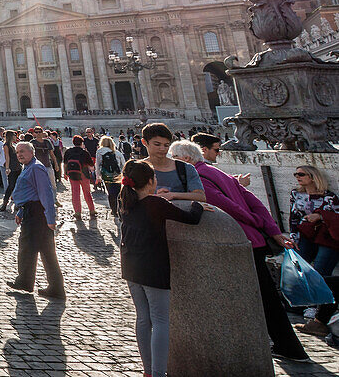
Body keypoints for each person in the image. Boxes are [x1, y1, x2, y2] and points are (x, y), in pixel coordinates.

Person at [170, 140, 309, 362]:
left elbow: (228, 208)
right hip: (253, 240)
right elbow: (253, 201)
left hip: (237, 242)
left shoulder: (199, 178)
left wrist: (256, 223)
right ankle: (287, 345)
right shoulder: (217, 172)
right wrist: (271, 229)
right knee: (266, 296)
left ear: (185, 159)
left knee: (254, 297)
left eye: (173, 159)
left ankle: (282, 347)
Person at [119, 159, 205, 377]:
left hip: (131, 266)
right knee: (160, 321)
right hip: (153, 268)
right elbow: (191, 219)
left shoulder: (125, 200)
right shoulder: (156, 204)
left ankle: (148, 371)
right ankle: (158, 373)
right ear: (150, 181)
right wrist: (197, 204)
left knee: (142, 318)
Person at [8, 141, 65, 299]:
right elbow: (28, 192)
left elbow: (46, 193)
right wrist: (20, 211)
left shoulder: (36, 168)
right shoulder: (28, 167)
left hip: (37, 215)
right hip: (31, 212)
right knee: (43, 251)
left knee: (28, 248)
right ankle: (54, 287)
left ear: (32, 152)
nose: (19, 154)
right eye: (17, 152)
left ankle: (27, 282)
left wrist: (50, 218)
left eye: (23, 151)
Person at [289, 164, 339, 277]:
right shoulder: (296, 194)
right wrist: (293, 238)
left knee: (320, 269)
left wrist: (320, 216)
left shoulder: (329, 197)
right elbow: (293, 218)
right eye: (295, 174)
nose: (297, 177)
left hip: (326, 237)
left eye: (301, 174)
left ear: (312, 177)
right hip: (307, 234)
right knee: (298, 265)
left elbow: (336, 217)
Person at [138, 124, 205, 203]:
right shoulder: (137, 168)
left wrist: (172, 195)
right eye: (157, 144)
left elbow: (201, 196)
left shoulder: (185, 168)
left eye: (166, 145)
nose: (162, 149)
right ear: (144, 142)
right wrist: (157, 197)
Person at [63, 135, 96, 219]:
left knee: (75, 193)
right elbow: (91, 165)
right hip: (84, 174)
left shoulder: (68, 151)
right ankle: (91, 210)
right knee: (87, 193)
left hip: (72, 174)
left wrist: (65, 173)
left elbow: (65, 164)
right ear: (82, 143)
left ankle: (77, 212)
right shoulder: (84, 152)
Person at [96, 136, 126, 219]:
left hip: (106, 175)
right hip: (117, 174)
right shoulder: (117, 152)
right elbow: (123, 164)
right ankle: (120, 209)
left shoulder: (100, 152)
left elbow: (98, 165)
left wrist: (98, 176)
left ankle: (113, 210)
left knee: (111, 193)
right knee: (118, 192)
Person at [0, 130, 21, 212]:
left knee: (17, 186)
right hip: (12, 167)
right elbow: (7, 157)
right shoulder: (6, 145)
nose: (16, 137)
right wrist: (7, 168)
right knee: (11, 186)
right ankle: (5, 202)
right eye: (14, 135)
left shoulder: (13, 145)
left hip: (17, 166)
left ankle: (17, 204)